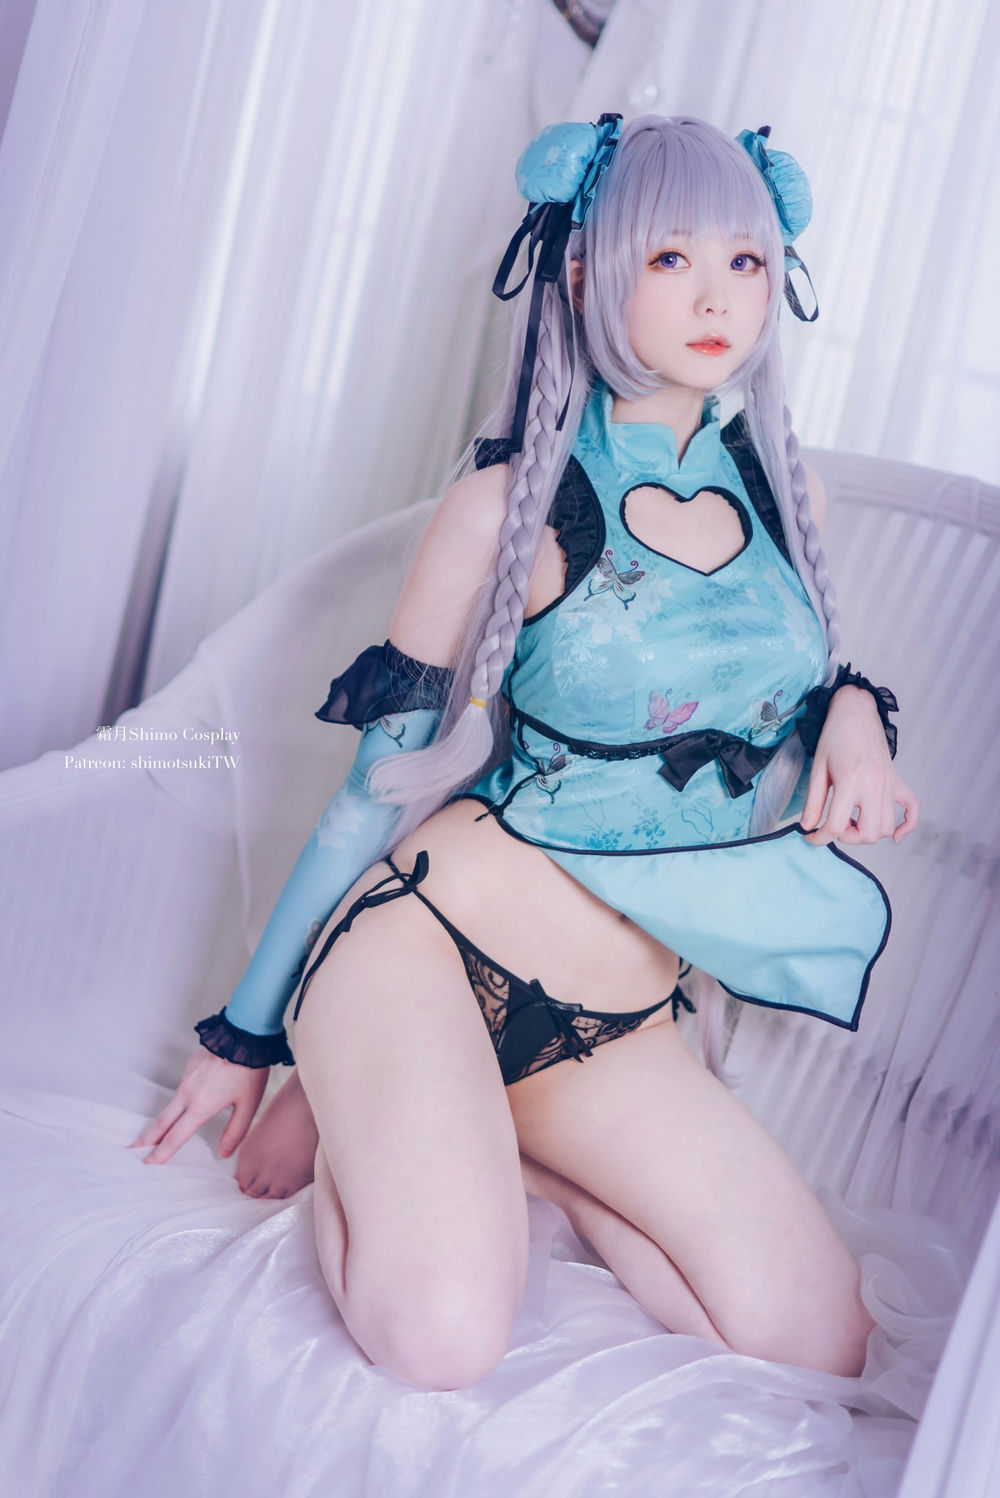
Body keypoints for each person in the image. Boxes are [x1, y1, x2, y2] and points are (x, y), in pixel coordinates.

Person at [127, 114, 919, 1392]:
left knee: (823, 1344)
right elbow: (366, 795)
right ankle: (360, 1079)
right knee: (442, 1340)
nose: (717, 297)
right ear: (585, 272)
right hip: (431, 946)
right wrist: (245, 1035)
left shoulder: (788, 494)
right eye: (669, 258)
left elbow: (789, 678)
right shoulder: (508, 506)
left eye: (746, 260)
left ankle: (508, 1144)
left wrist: (856, 716)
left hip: (616, 1016)